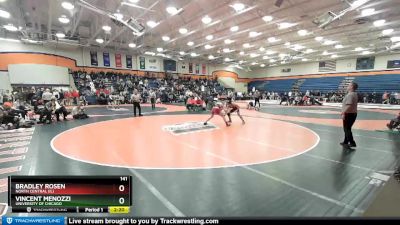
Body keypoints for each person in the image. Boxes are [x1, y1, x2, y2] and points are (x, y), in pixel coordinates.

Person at [341, 82, 359, 148]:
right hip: (353, 113)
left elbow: (349, 105)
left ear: (351, 87)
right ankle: (345, 141)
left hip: (349, 114)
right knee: (347, 128)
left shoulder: (350, 95)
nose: (347, 86)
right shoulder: (354, 94)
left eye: (349, 85)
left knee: (346, 129)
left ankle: (352, 142)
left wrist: (343, 113)